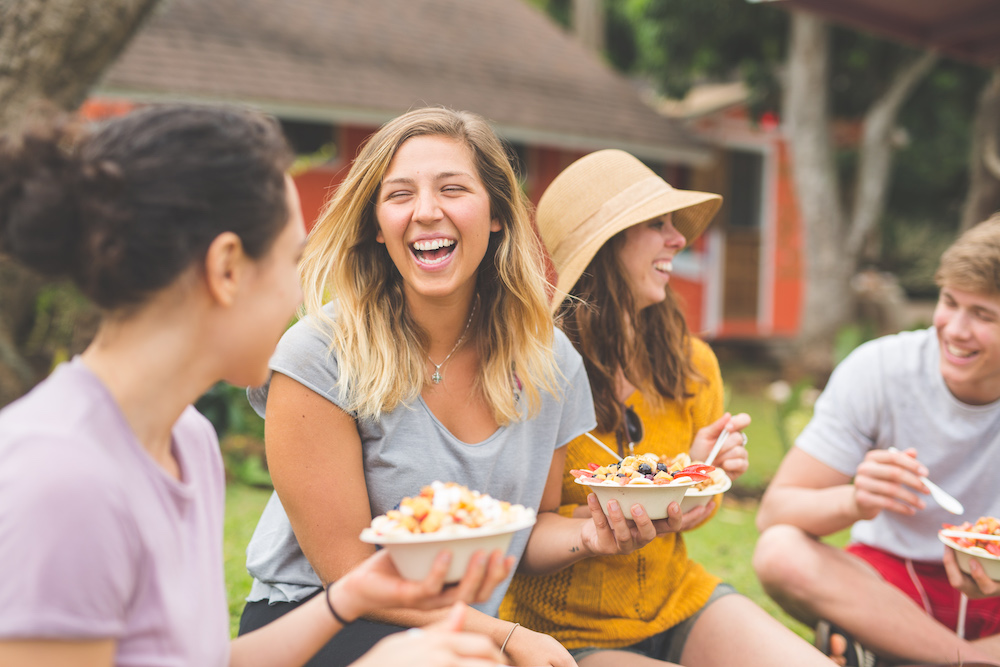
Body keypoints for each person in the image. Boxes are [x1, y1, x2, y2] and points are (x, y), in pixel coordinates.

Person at [0, 104, 509, 667]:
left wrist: (352, 597)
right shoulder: (63, 477)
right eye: (292, 259)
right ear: (227, 270)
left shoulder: (186, 442)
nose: (300, 297)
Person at [237, 108, 696, 667]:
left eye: (452, 189)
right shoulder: (318, 355)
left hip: (465, 635)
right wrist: (503, 638)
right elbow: (350, 573)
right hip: (324, 623)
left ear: (499, 215)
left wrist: (594, 536)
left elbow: (533, 527)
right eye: (400, 194)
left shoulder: (550, 362)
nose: (427, 211)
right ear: (377, 226)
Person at [500, 149, 839, 666]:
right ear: (607, 246)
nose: (679, 239)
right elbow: (521, 536)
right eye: (656, 224)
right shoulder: (537, 372)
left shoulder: (694, 364)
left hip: (677, 601)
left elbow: (688, 518)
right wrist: (597, 535)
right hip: (564, 631)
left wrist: (696, 477)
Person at [754, 215, 1000, 666]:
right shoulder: (881, 369)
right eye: (950, 302)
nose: (955, 329)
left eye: (983, 315)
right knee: (780, 551)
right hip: (891, 591)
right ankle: (969, 660)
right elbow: (775, 512)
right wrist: (857, 500)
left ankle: (900, 656)